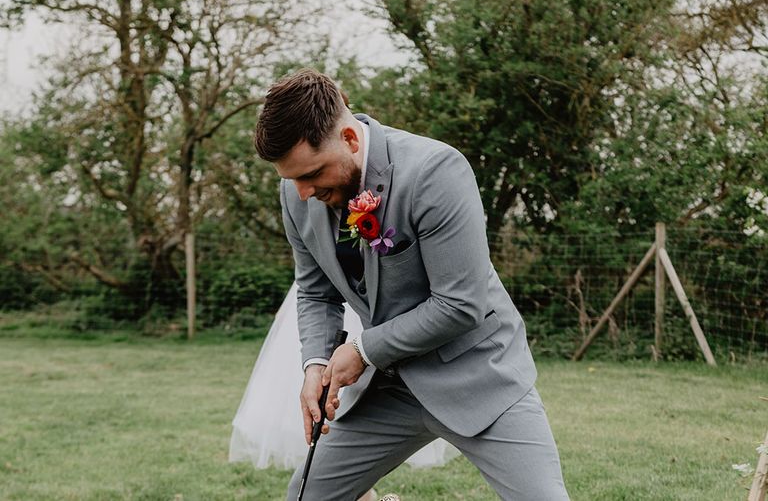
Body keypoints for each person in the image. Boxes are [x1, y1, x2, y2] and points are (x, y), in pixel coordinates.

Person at [253, 69, 569, 500]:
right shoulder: (298, 194)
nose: (303, 193)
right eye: (292, 179)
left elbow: (460, 304)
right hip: (389, 389)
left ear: (348, 138)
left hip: (477, 375)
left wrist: (362, 351)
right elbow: (314, 291)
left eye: (312, 173)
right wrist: (314, 365)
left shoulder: (435, 170)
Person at [229, 281, 459, 470]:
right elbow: (314, 289)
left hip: (378, 317)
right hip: (323, 316)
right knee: (317, 417)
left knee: (353, 413)